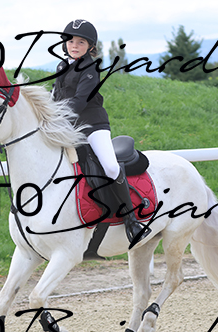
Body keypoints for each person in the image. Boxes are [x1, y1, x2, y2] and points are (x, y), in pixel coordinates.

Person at [52, 19, 151, 246]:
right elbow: (54, 96)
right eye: (70, 41)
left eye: (81, 42)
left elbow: (79, 102)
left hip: (93, 126)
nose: (74, 46)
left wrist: (55, 117)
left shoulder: (90, 69)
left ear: (90, 46)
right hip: (69, 127)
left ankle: (131, 221)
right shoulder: (61, 67)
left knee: (110, 167)